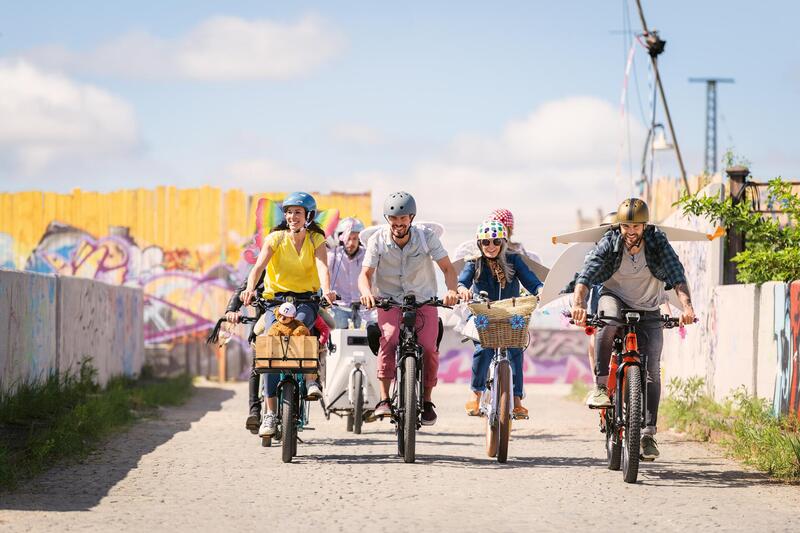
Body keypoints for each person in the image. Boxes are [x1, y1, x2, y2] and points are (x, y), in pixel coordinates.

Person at [568, 198, 695, 460]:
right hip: (614, 296)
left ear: (645, 225)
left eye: (636, 226)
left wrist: (687, 307)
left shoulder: (657, 242)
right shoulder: (610, 241)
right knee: (607, 321)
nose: (631, 231)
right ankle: (601, 387)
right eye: (626, 226)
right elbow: (587, 273)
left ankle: (648, 434)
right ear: (620, 226)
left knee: (653, 369)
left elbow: (676, 274)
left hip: (648, 305)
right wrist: (579, 304)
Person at [358, 191, 460, 426]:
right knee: (390, 339)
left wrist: (452, 290)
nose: (398, 223)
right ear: (387, 219)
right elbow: (365, 274)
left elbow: (447, 268)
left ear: (411, 218)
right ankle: (384, 400)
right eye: (393, 218)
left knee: (429, 348)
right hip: (389, 301)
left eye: (403, 218)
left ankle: (427, 401)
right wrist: (366, 293)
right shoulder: (377, 240)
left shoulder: (426, 237)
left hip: (423, 300)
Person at [241, 191, 337, 438]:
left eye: (298, 212)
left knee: (301, 330)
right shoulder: (275, 238)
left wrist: (327, 290)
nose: (292, 217)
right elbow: (258, 267)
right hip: (275, 302)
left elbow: (322, 267)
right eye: (289, 212)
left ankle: (311, 379)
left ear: (308, 216)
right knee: (270, 346)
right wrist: (250, 289)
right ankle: (270, 414)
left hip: (306, 301)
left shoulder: (316, 239)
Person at [456, 220, 544, 419]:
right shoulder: (474, 262)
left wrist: (539, 290)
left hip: (511, 313)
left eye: (496, 241)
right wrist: (462, 289)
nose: (491, 246)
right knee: (483, 349)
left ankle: (517, 400)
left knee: (516, 350)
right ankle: (475, 393)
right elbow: (463, 281)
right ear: (479, 243)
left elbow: (530, 279)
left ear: (503, 242)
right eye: (485, 242)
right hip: (482, 313)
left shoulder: (514, 259)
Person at [328, 217, 373, 328]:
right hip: (339, 307)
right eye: (348, 238)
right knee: (338, 331)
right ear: (340, 238)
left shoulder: (368, 255)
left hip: (363, 308)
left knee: (368, 333)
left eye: (355, 238)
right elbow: (323, 275)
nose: (351, 243)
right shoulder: (332, 255)